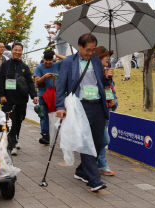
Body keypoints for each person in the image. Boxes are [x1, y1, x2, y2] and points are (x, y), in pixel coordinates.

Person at [55, 34, 113, 192]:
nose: (91, 53)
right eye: (88, 50)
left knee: (99, 142)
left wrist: (108, 78)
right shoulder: (68, 62)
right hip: (81, 107)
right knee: (86, 142)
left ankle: (81, 170)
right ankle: (94, 180)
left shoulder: (95, 61)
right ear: (79, 47)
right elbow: (60, 87)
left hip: (98, 106)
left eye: (93, 50)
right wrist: (60, 106)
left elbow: (101, 82)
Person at [0, 43, 38, 155]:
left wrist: (34, 95)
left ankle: (15, 138)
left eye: (19, 50)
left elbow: (30, 83)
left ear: (22, 52)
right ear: (12, 51)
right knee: (11, 121)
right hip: (9, 99)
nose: (17, 52)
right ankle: (12, 144)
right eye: (15, 50)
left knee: (19, 120)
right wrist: (2, 95)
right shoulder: (5, 65)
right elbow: (0, 80)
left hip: (21, 99)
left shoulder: (24, 67)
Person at [33, 49, 65, 145]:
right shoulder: (39, 68)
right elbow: (37, 82)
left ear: (53, 59)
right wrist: (44, 77)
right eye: (46, 60)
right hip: (43, 95)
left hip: (56, 95)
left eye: (50, 60)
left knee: (57, 115)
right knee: (43, 115)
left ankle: (55, 134)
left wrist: (56, 54)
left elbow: (68, 59)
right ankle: (45, 135)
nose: (48, 62)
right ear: (43, 59)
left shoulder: (56, 65)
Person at [95, 46, 118, 176]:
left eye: (108, 56)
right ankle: (92, 164)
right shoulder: (94, 73)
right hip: (97, 112)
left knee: (102, 141)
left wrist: (114, 102)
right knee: (104, 140)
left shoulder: (108, 72)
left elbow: (112, 93)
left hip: (106, 112)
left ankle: (102, 165)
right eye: (105, 56)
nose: (108, 58)